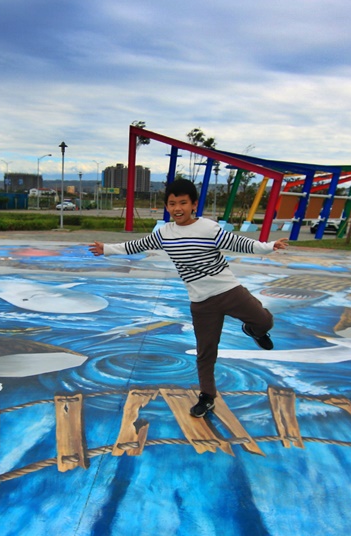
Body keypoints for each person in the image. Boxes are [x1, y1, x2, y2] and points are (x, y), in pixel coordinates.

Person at [90, 178, 288, 418]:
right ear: (167, 206)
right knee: (205, 351)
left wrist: (268, 246)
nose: (177, 208)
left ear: (194, 204)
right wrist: (107, 249)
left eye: (183, 203)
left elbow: (240, 243)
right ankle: (207, 396)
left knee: (264, 321)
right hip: (202, 303)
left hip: (229, 291)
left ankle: (255, 330)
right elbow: (137, 245)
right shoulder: (164, 233)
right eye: (172, 203)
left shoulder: (208, 228)